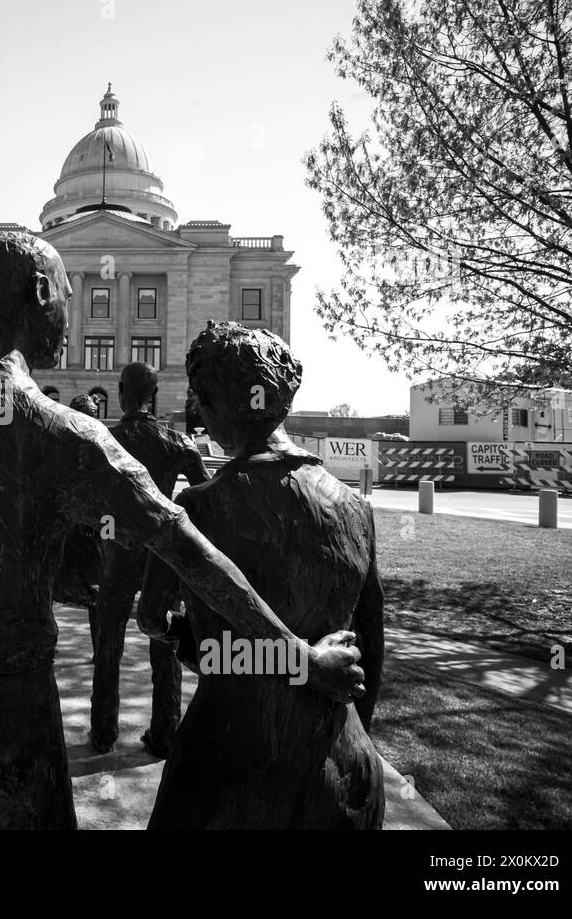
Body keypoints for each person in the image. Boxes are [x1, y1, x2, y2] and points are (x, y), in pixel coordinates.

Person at [0, 231, 368, 830]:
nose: (67, 314)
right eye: (64, 293)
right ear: (40, 292)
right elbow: (187, 551)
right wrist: (295, 656)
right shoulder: (64, 434)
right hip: (5, 709)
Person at [143, 322, 385, 829]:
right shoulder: (356, 509)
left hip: (229, 757)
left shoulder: (196, 509)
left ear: (208, 406)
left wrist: (189, 638)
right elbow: (373, 644)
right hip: (342, 755)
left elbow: (151, 615)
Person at [90, 361, 209, 758]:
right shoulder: (177, 442)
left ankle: (104, 732)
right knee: (165, 644)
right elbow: (204, 497)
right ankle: (165, 733)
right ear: (153, 395)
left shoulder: (104, 438)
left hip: (118, 553)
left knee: (108, 646)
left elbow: (82, 501)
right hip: (161, 554)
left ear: (122, 390)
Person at [53, 393, 105, 653]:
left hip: (82, 530)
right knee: (52, 586)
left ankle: (97, 650)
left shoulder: (99, 445)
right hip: (74, 528)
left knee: (93, 593)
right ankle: (49, 643)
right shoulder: (66, 443)